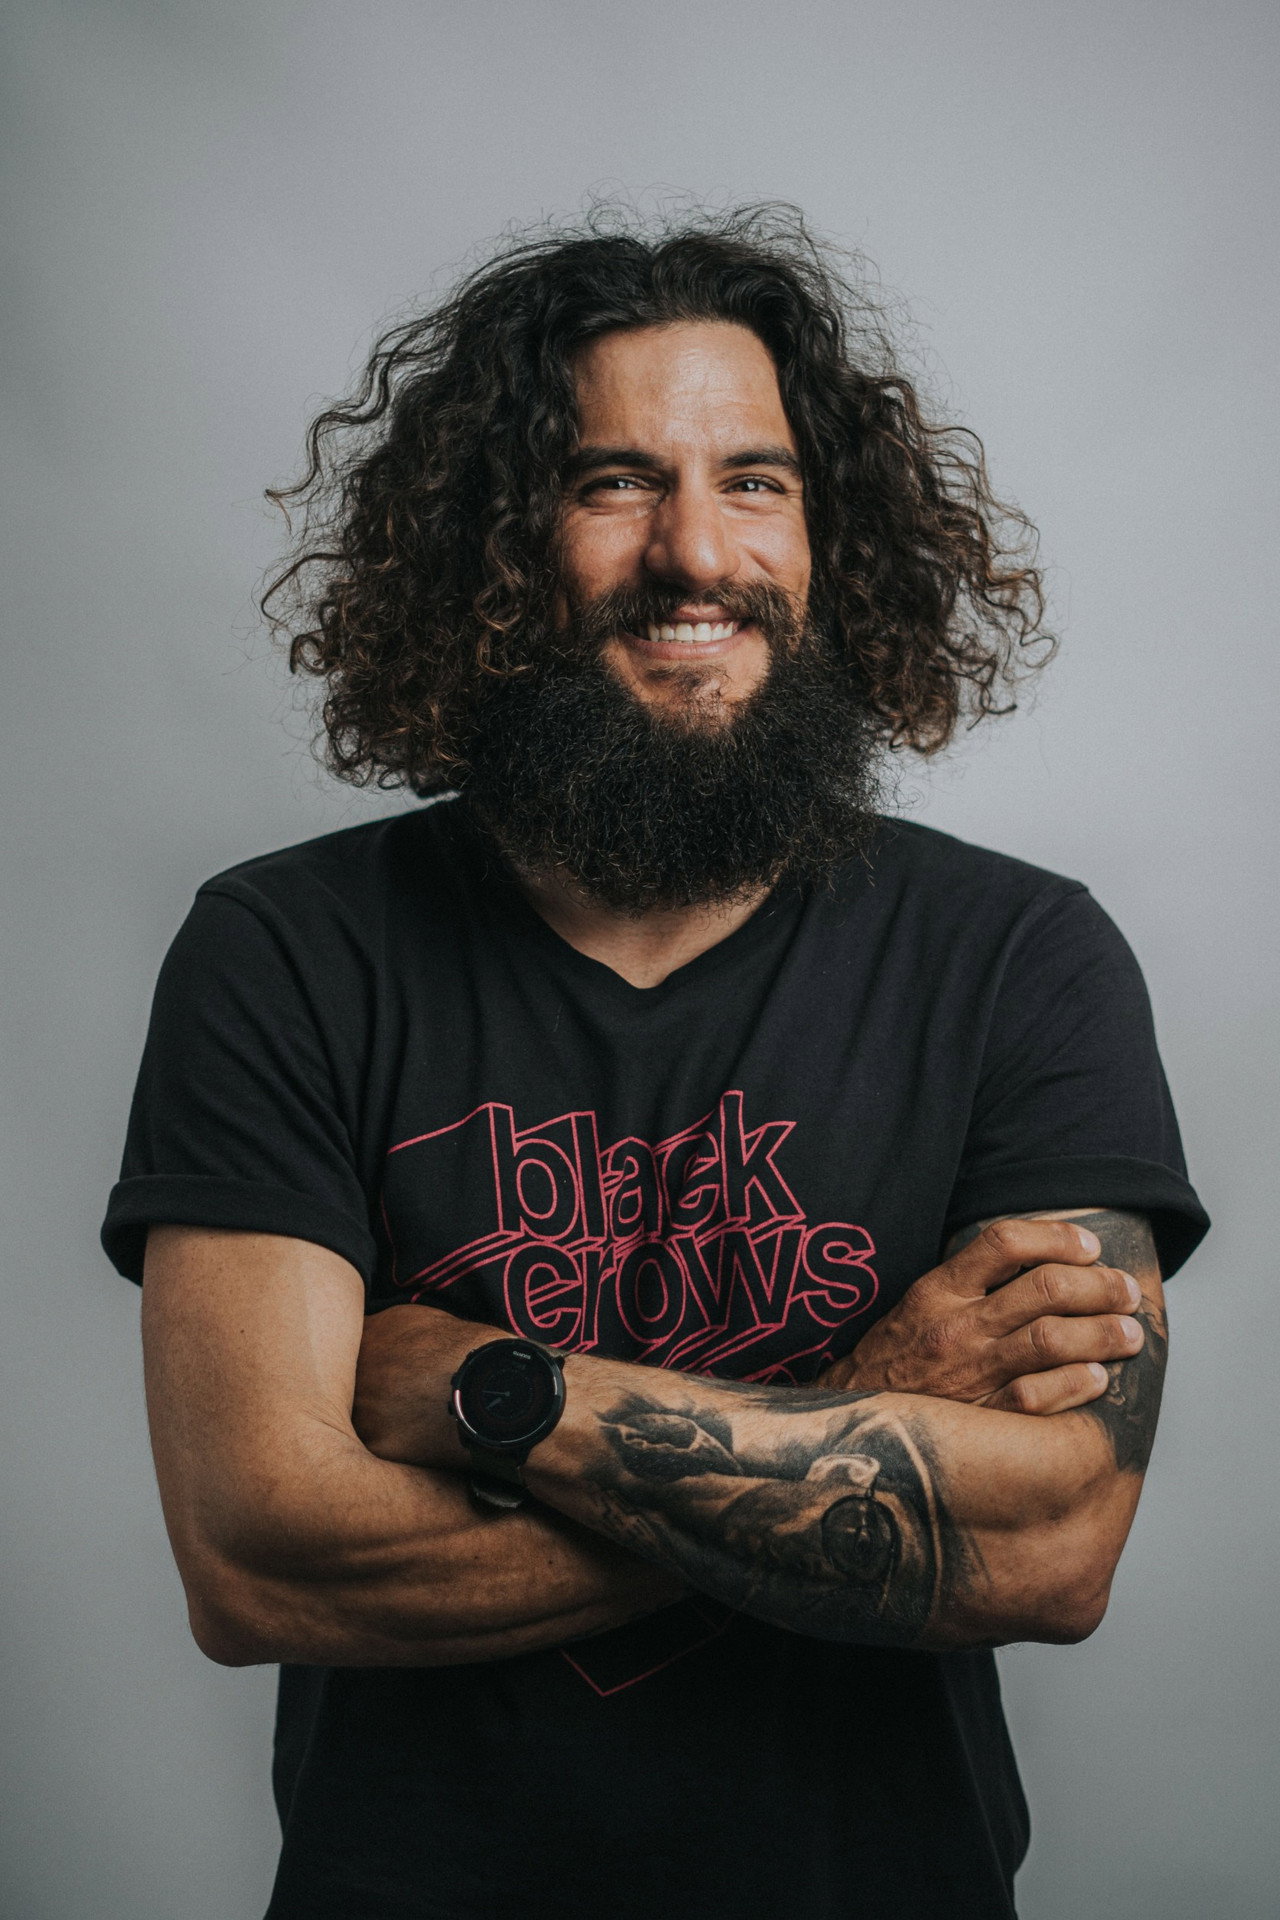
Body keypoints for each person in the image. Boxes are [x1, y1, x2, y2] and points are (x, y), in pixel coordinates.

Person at [102, 207, 1208, 1920]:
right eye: (613, 481)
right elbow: (262, 1561)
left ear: (830, 536)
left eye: (756, 481)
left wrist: (499, 1395)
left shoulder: (1021, 960)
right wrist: (868, 1413)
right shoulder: (290, 950)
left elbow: (1051, 1548)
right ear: (492, 542)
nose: (698, 552)